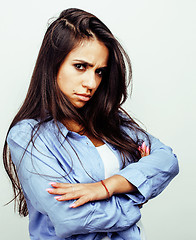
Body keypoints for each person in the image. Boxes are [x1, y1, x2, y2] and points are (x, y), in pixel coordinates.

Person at [3, 8, 179, 240]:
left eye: (99, 72)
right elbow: (71, 218)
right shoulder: (27, 136)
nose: (91, 83)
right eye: (80, 66)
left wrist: (107, 186)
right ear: (53, 64)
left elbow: (167, 160)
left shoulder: (112, 120)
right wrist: (137, 188)